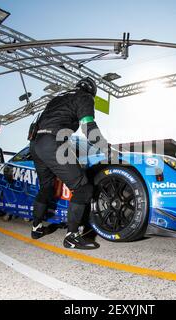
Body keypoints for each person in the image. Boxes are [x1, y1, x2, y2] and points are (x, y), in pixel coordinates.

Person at [28, 77, 115, 250]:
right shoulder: (84, 97)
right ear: (92, 91)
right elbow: (88, 126)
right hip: (53, 141)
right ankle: (72, 237)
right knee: (83, 188)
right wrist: (105, 148)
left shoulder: (57, 98)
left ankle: (36, 228)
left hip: (36, 144)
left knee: (46, 187)